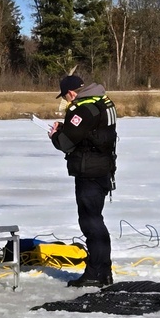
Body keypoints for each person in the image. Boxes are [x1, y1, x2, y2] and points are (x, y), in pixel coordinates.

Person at [48, 74, 118, 288]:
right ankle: (103, 270)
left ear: (71, 93)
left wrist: (55, 135)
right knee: (95, 219)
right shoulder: (103, 101)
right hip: (103, 168)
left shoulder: (82, 108)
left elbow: (66, 142)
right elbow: (91, 133)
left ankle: (96, 272)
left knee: (90, 221)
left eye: (66, 97)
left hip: (90, 171)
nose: (67, 101)